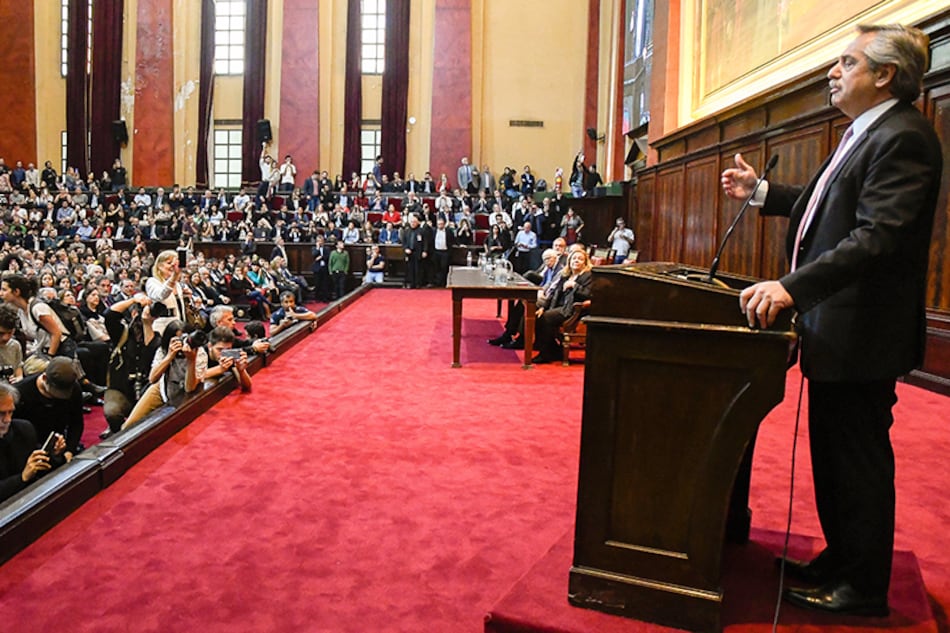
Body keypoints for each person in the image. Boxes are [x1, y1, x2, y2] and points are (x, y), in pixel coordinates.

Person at [720, 24, 941, 617]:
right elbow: (824, 206)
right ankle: (842, 557)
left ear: (885, 74)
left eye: (846, 62)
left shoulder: (904, 138)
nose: (833, 72)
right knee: (833, 452)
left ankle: (862, 586)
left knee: (856, 457)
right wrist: (760, 190)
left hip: (863, 332)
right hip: (837, 329)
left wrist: (793, 289)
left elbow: (876, 238)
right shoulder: (866, 133)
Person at [121, 320, 206, 430]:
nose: (182, 343)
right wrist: (169, 356)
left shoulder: (200, 353)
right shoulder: (163, 350)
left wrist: (191, 360)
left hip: (184, 391)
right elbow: (152, 379)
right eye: (178, 339)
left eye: (185, 338)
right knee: (128, 426)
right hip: (161, 387)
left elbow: (189, 388)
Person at [0, 382, 64, 502]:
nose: (7, 420)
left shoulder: (24, 429)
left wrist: (54, 455)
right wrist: (22, 478)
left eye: (11, 412)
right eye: (1, 413)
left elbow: (42, 470)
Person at [15, 357, 84, 461]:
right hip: (28, 447)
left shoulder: (73, 388)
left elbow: (76, 422)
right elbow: (16, 433)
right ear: (44, 378)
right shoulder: (20, 393)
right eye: (53, 393)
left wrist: (70, 450)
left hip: (58, 443)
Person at [531, 249, 593, 364]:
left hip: (572, 309)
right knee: (539, 315)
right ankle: (553, 350)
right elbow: (554, 293)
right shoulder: (566, 275)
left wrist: (575, 285)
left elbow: (589, 294)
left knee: (546, 317)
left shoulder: (587, 276)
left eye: (580, 259)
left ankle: (545, 354)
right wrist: (543, 307)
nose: (576, 261)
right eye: (574, 259)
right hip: (559, 306)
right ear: (569, 261)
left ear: (585, 262)